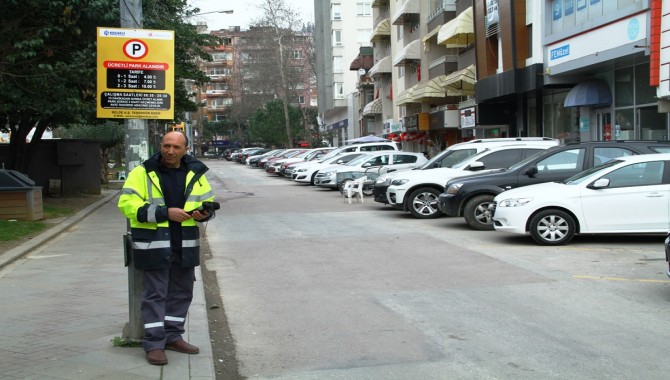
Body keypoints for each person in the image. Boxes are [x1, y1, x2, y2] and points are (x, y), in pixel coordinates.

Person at [118, 131, 216, 366]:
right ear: (160, 145)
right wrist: (165, 212)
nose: (170, 151)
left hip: (185, 244)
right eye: (166, 145)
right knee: (155, 294)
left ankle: (173, 336)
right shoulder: (142, 172)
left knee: (182, 293)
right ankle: (153, 343)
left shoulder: (196, 172)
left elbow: (208, 202)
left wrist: (205, 213)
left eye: (176, 147)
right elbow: (127, 206)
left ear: (186, 149)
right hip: (155, 243)